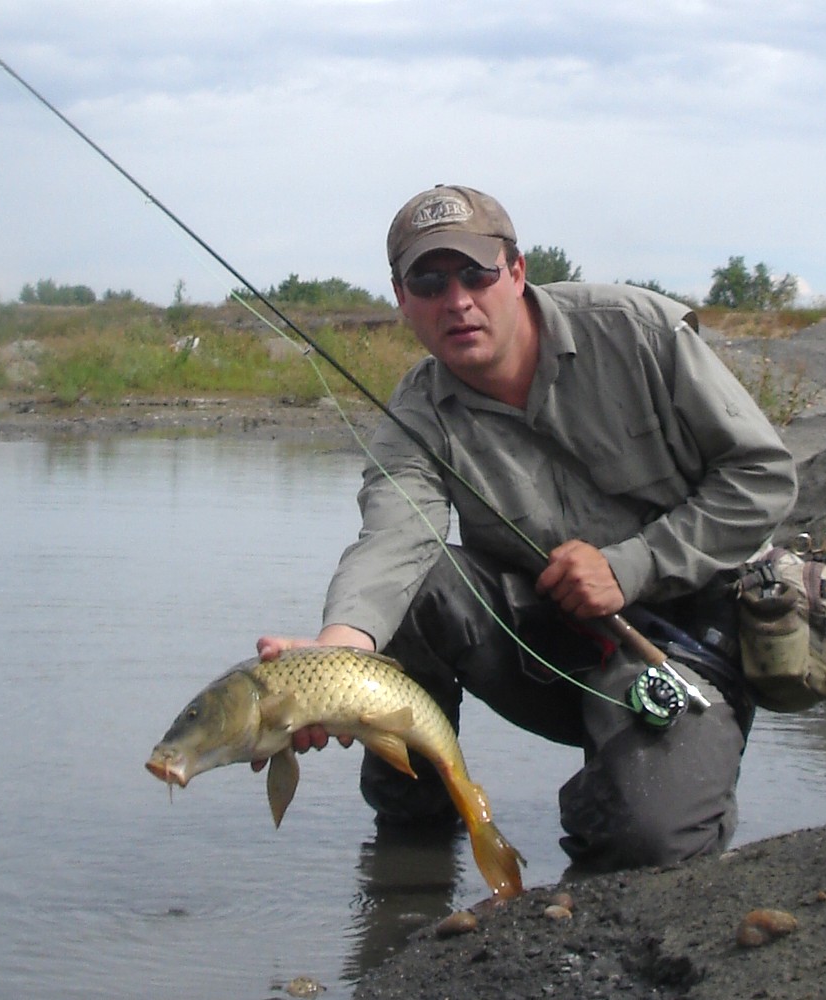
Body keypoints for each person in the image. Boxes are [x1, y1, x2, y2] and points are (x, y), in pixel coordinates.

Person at [257, 184, 798, 870]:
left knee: (645, 847)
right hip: (547, 644)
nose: (456, 301)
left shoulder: (638, 331)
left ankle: (643, 782)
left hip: (685, 646)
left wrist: (631, 565)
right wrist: (335, 661)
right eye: (429, 281)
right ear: (401, 298)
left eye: (476, 274)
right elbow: (394, 542)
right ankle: (412, 847)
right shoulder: (416, 412)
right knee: (422, 588)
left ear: (516, 272)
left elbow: (763, 475)